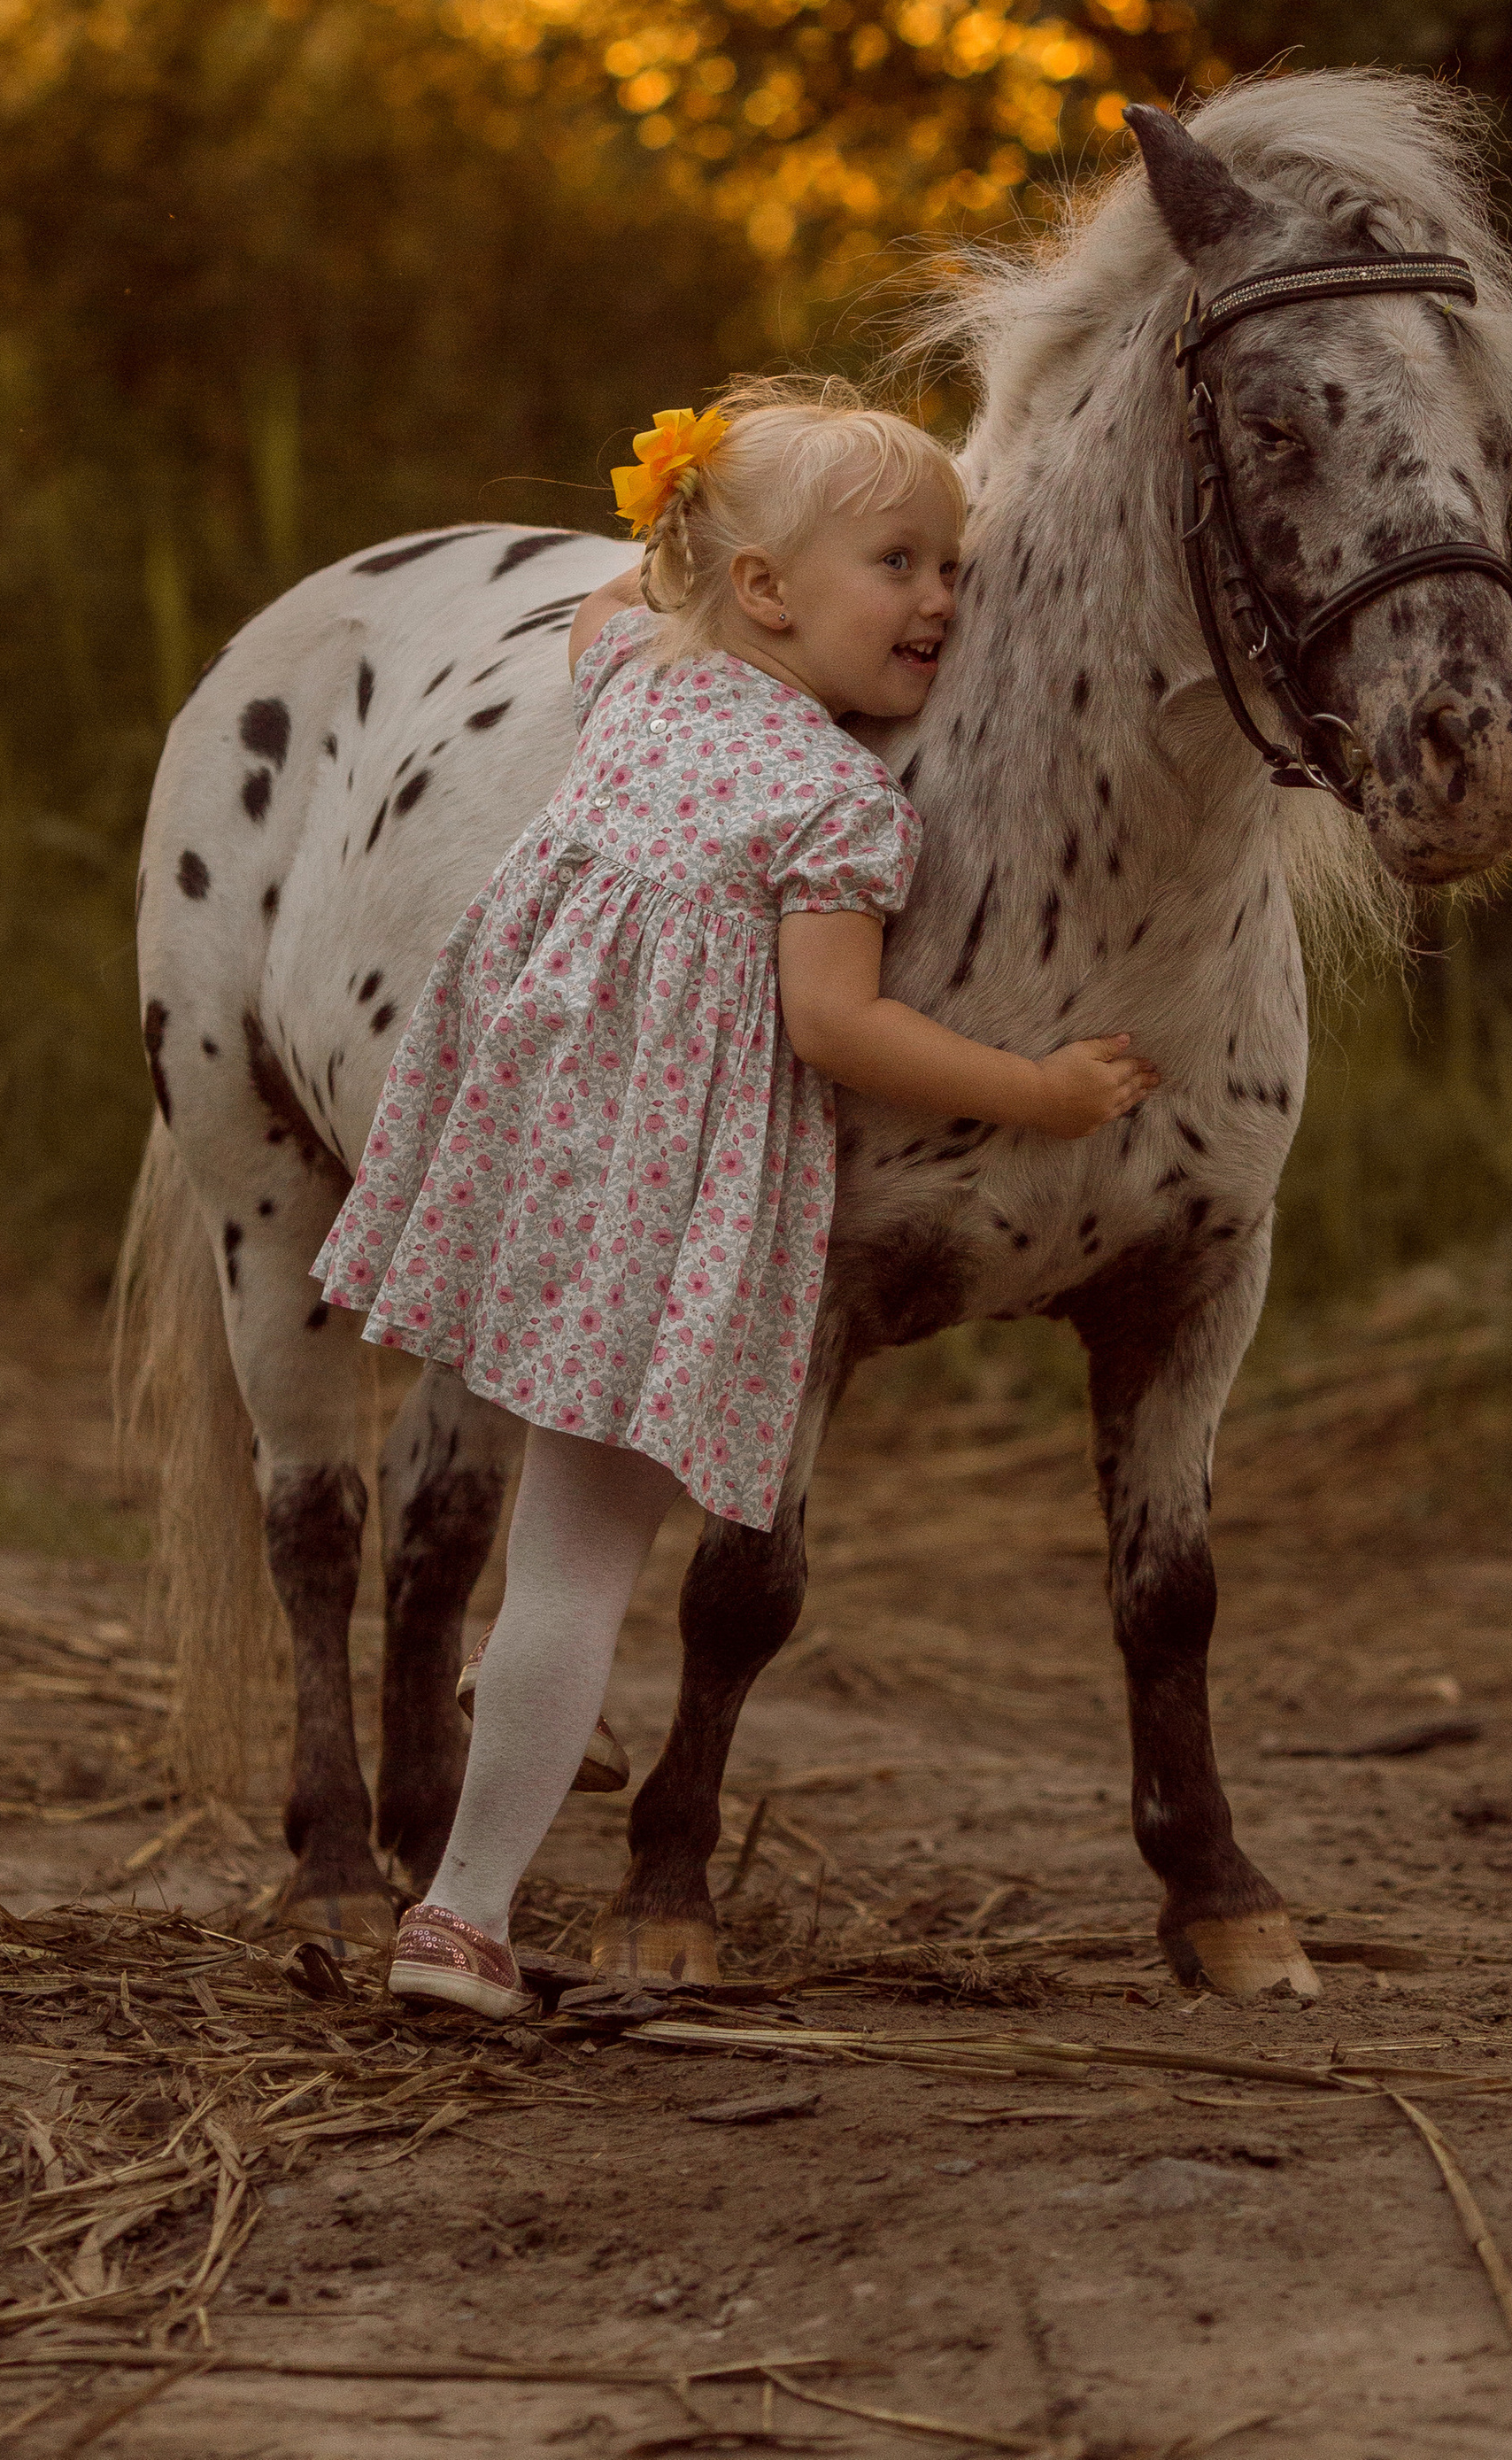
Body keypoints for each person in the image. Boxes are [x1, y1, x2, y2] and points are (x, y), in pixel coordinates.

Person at [312, 379, 1159, 2019]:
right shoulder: (838, 803)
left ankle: (496, 1717)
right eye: (900, 564)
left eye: (953, 567)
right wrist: (1042, 1090)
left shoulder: (642, 677)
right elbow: (839, 1026)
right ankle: (463, 1921)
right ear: (770, 591)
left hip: (518, 1155)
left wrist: (695, 549)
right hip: (649, 1196)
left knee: (537, 1520)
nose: (941, 603)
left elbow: (613, 595)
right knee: (577, 1564)